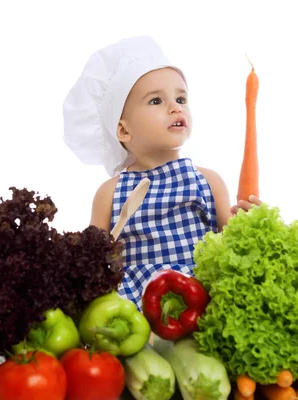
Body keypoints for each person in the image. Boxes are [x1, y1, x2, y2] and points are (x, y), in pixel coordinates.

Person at [63, 36, 260, 309]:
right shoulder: (110, 191)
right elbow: (93, 257)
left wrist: (252, 225)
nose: (175, 107)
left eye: (181, 98)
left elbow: (230, 245)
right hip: (138, 307)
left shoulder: (208, 180)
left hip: (203, 296)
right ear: (123, 130)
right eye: (156, 101)